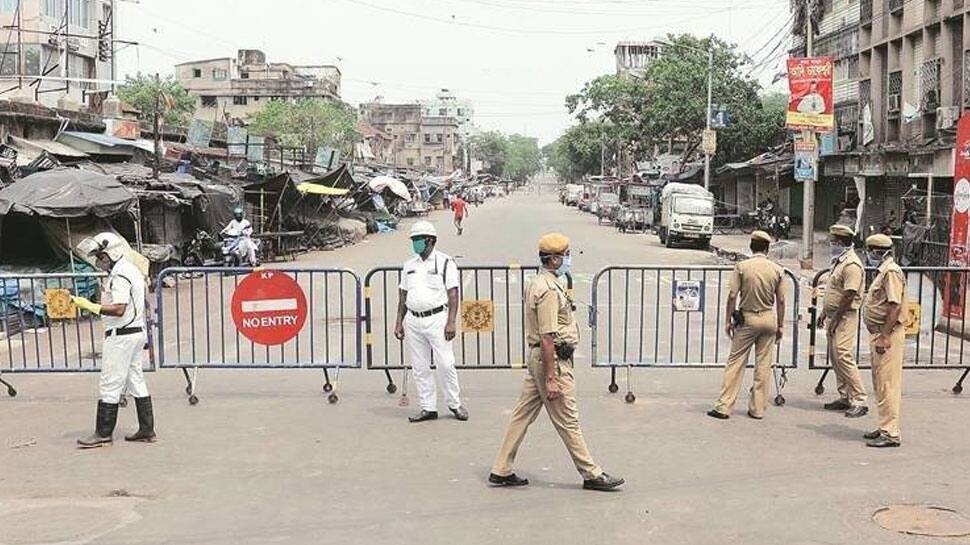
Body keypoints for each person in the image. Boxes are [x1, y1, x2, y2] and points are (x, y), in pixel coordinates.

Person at [489, 233, 624, 491]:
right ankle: (591, 473)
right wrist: (552, 377)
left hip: (539, 359)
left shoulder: (540, 282)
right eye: (565, 255)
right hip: (552, 361)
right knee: (568, 419)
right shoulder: (548, 290)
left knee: (522, 415)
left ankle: (501, 468)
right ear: (553, 259)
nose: (568, 259)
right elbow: (548, 336)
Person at [72, 233, 155, 449]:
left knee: (110, 383)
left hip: (122, 336)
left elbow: (119, 308)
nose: (100, 260)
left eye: (101, 255)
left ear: (113, 251)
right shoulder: (130, 270)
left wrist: (90, 306)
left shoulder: (120, 274)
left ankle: (103, 433)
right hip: (135, 333)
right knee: (135, 379)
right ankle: (147, 429)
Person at [393, 220, 468, 423]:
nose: (415, 243)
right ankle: (428, 407)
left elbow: (453, 294)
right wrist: (399, 322)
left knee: (446, 363)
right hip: (414, 321)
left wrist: (451, 322)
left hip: (437, 319)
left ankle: (454, 404)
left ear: (431, 240)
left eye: (419, 239)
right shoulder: (409, 265)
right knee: (420, 366)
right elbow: (403, 296)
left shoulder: (445, 262)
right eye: (413, 239)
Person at [709, 230, 786, 420]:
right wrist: (781, 325)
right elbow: (782, 299)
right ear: (767, 248)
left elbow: (732, 296)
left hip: (748, 318)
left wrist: (728, 319)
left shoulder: (742, 267)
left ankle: (724, 406)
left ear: (751, 246)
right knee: (763, 365)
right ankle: (758, 408)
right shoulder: (777, 269)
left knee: (735, 362)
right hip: (768, 318)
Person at [817, 224, 868, 417]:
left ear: (840, 242)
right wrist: (825, 312)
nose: (831, 244)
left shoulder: (852, 264)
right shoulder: (840, 261)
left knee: (843, 356)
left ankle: (860, 399)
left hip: (845, 316)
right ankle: (845, 395)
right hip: (834, 315)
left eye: (833, 241)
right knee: (835, 357)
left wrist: (837, 317)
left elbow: (849, 294)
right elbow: (835, 291)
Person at [861, 234, 906, 448]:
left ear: (879, 252)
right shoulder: (884, 271)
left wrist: (885, 336)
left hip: (887, 335)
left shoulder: (891, 272)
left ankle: (891, 433)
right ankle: (884, 426)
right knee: (880, 383)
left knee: (887, 383)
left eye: (871, 251)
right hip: (879, 333)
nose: (869, 255)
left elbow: (895, 306)